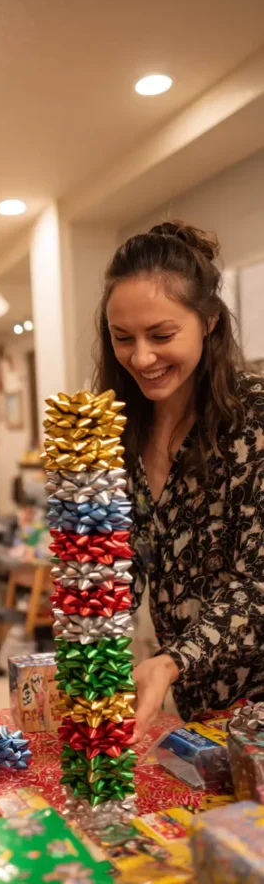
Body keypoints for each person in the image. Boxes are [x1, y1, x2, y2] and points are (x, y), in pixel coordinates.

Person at [96, 220, 264, 740]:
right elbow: (119, 565)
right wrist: (89, 642)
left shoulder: (253, 421)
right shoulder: (119, 428)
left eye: (161, 335)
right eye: (123, 338)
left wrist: (172, 660)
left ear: (209, 322)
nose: (141, 358)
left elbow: (258, 583)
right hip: (196, 715)